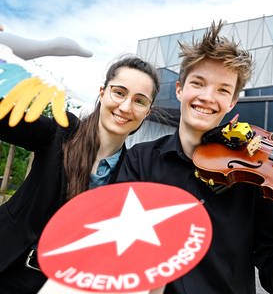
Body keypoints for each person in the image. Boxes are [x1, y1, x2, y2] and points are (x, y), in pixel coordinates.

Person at [117, 21, 273, 294]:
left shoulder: (254, 179)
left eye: (223, 90)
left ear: (232, 102)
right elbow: (117, 249)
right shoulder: (140, 161)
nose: (207, 97)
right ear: (179, 89)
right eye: (198, 83)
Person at [0, 55, 160, 293]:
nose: (126, 107)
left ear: (148, 111)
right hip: (8, 268)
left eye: (139, 101)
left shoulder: (132, 173)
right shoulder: (61, 132)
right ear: (102, 92)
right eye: (119, 92)